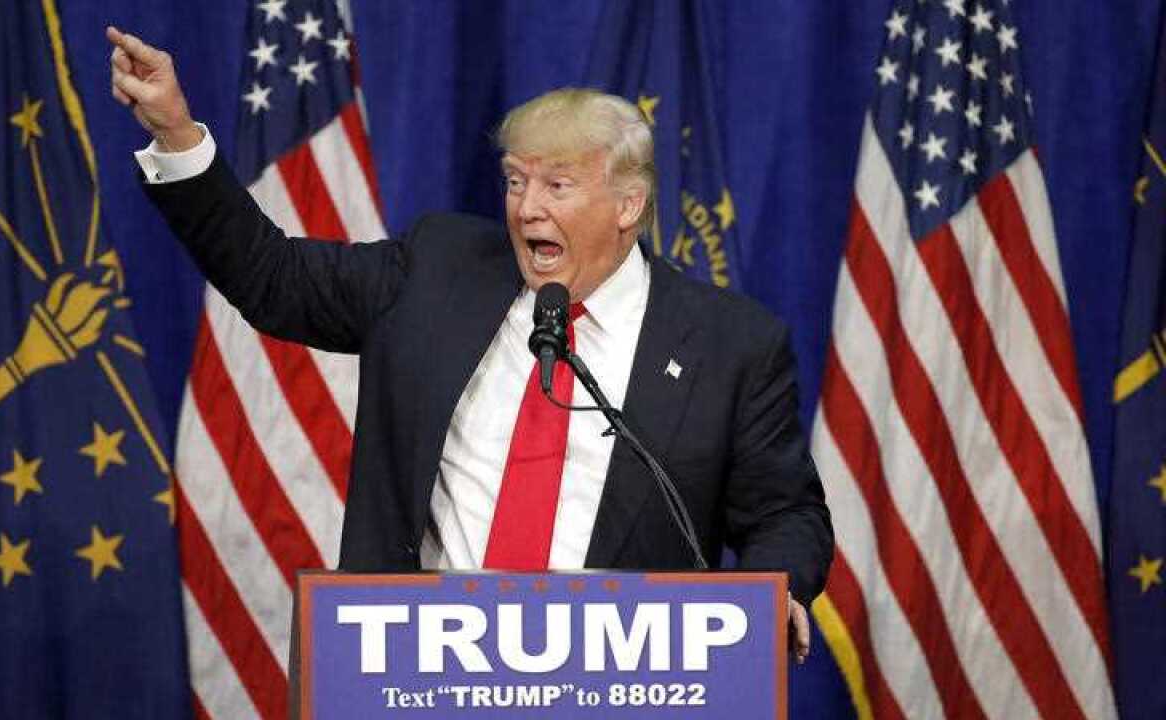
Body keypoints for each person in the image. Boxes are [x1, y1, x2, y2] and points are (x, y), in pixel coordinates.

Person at [107, 26, 832, 663]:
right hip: (418, 682)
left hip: (615, 687)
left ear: (628, 206)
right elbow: (272, 278)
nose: (527, 208)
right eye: (516, 181)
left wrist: (779, 592)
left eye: (557, 184)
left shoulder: (730, 343)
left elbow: (785, 515)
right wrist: (178, 137)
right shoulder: (438, 268)